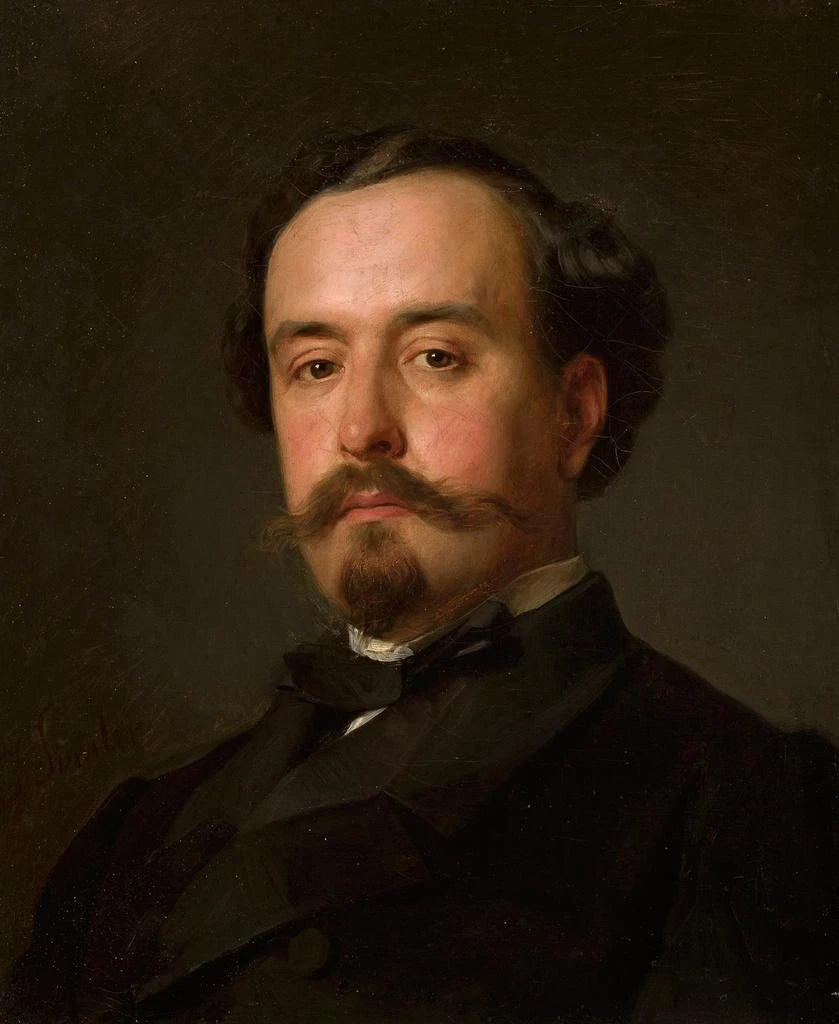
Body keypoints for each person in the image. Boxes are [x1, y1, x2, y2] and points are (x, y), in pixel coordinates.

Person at [5, 127, 837, 1023]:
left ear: (572, 412)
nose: (361, 428)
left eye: (434, 356)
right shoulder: (137, 831)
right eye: (316, 367)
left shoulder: (749, 807)